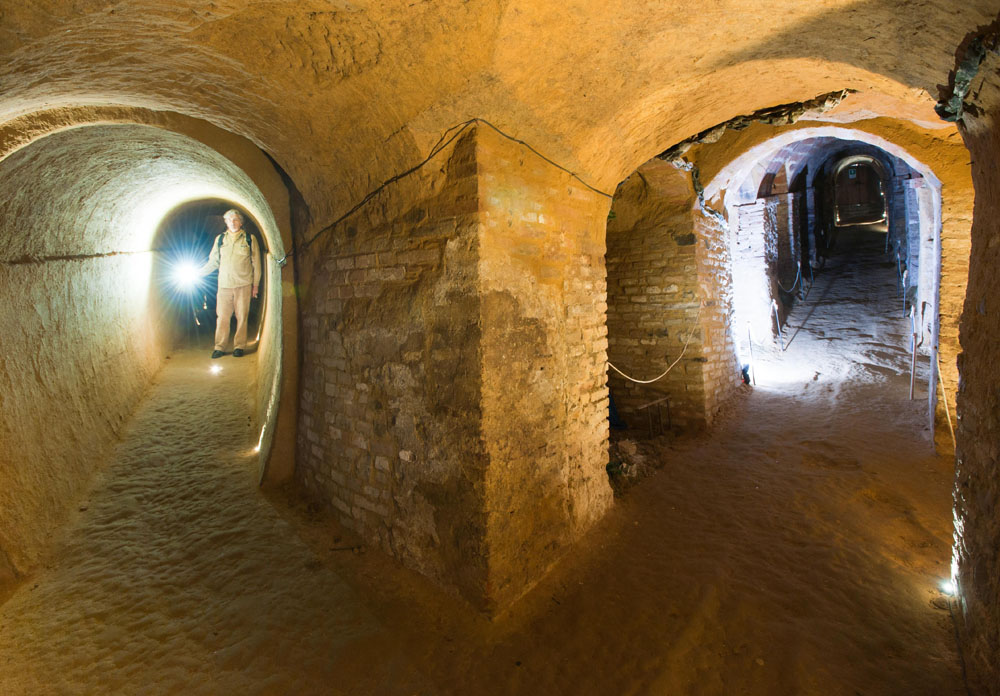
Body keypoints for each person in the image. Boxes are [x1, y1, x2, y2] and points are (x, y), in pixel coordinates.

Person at [199, 209, 261, 358]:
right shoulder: (220, 239)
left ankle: (239, 346)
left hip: (243, 284)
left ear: (241, 222)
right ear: (225, 222)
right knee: (222, 317)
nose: (233, 223)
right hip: (224, 285)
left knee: (242, 317)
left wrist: (256, 285)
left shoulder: (249, 239)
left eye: (235, 220)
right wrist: (198, 273)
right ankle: (219, 347)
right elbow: (213, 262)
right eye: (229, 220)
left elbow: (256, 264)